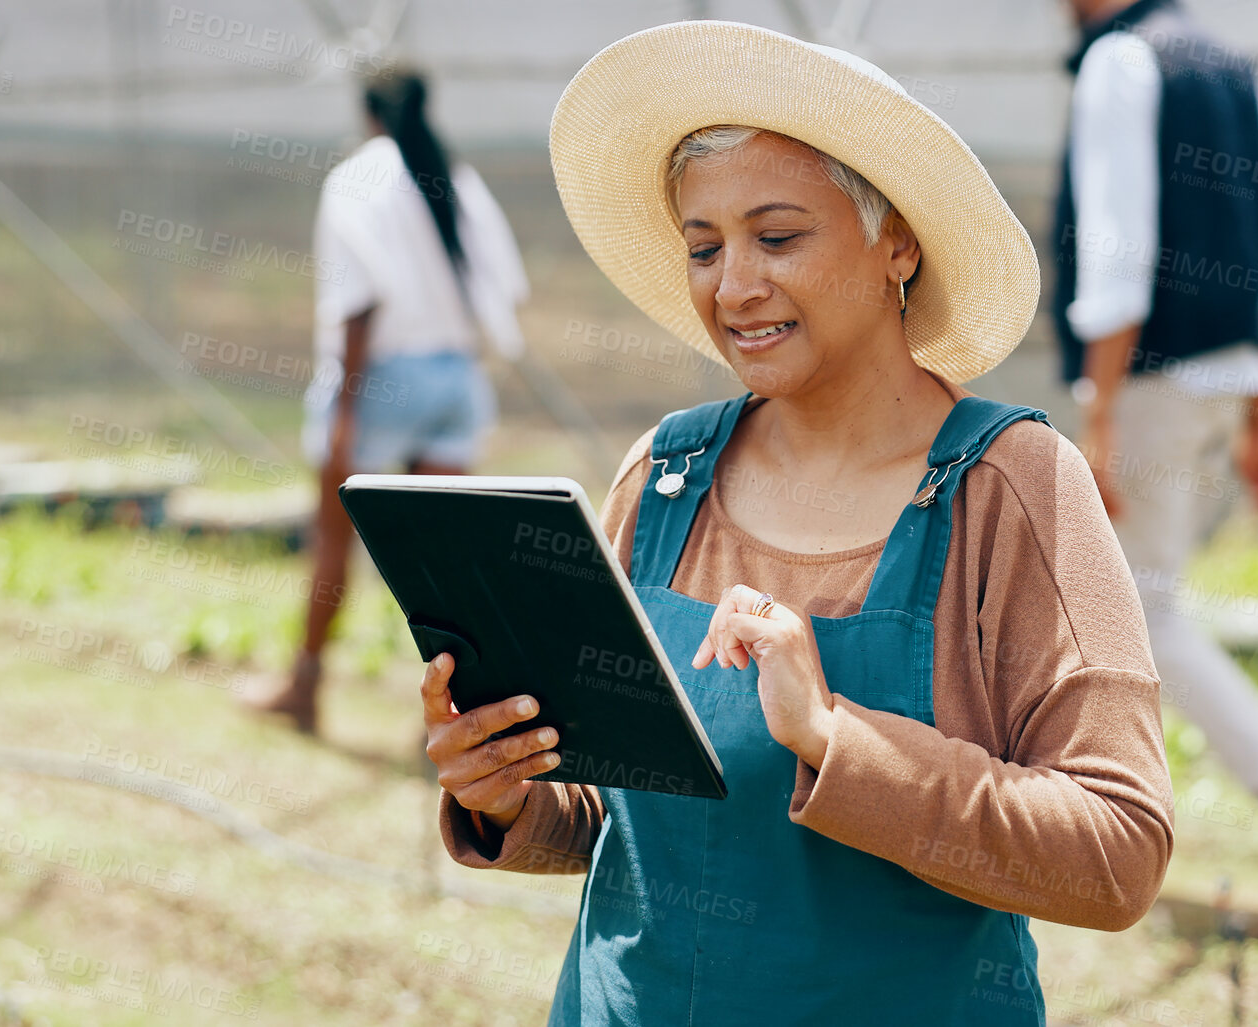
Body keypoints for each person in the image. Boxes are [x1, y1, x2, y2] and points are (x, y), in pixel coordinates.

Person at [419, 21, 1173, 1025]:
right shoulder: (665, 477)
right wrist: (506, 789)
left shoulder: (1014, 488)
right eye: (704, 247)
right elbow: (620, 822)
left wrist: (834, 739)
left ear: (895, 239)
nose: (734, 286)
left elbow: (1117, 854)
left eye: (778, 237)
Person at [1050, 0, 1258, 934]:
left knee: (1139, 610)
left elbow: (1116, 250)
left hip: (1150, 380)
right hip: (1220, 375)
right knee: (1135, 605)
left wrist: (1097, 412)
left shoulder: (1119, 61)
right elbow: (1253, 254)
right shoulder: (1224, 62)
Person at [245, 69, 529, 734]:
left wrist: (344, 413)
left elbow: (357, 299)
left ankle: (303, 684)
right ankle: (452, 718)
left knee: (333, 543)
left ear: (366, 111)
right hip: (457, 379)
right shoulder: (454, 176)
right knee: (444, 567)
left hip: (381, 383)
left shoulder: (356, 178)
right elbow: (502, 286)